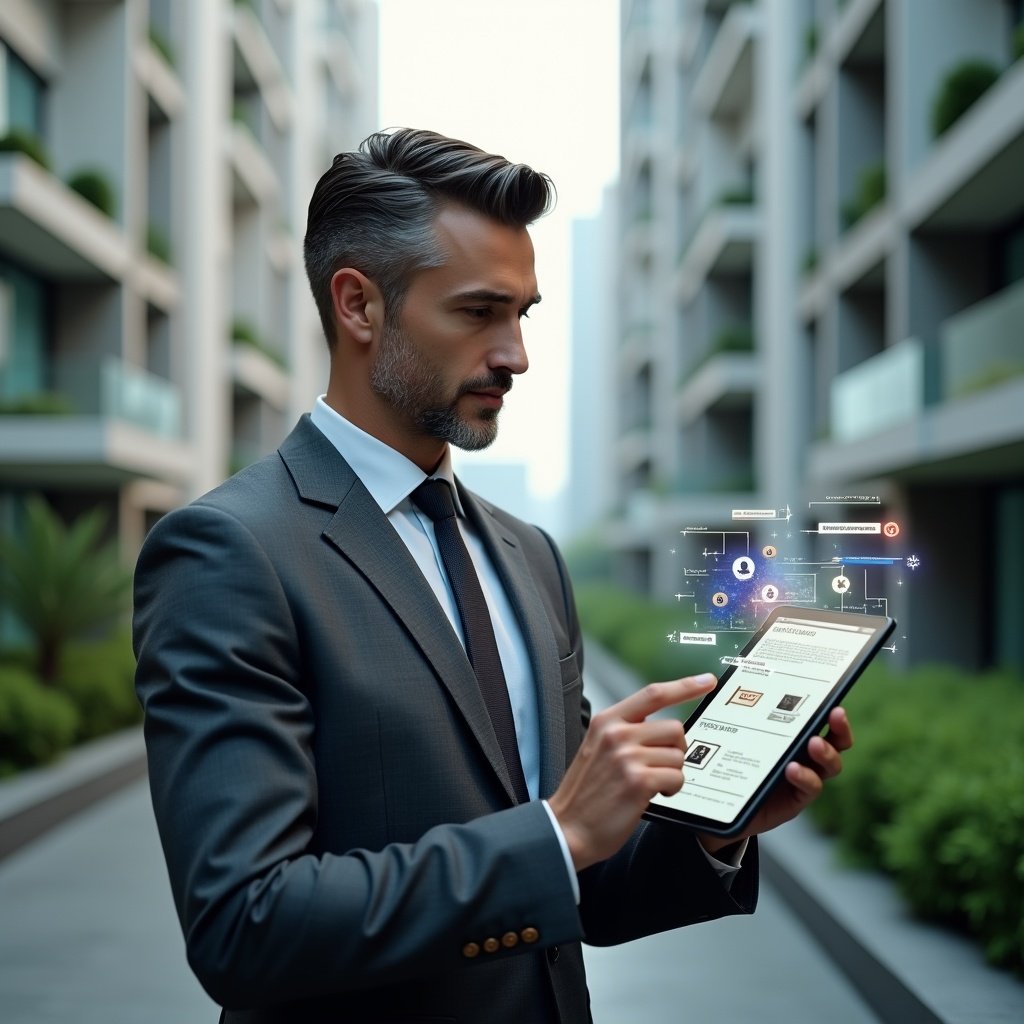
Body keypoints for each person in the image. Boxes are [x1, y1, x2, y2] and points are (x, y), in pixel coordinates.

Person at [133, 128, 853, 1024]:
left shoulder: (529, 555)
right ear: (358, 306)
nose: (515, 355)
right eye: (478, 313)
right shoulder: (230, 552)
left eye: (523, 314)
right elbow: (246, 927)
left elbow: (582, 885)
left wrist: (720, 824)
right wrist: (556, 835)